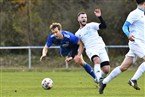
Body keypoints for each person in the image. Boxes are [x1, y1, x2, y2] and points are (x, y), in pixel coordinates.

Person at [99, 0, 145, 94]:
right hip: (135, 42)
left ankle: (104, 82)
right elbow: (124, 27)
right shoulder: (134, 13)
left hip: (141, 44)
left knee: (123, 67)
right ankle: (134, 79)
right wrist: (128, 35)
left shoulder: (142, 15)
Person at [75, 8, 110, 83]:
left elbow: (104, 26)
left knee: (106, 69)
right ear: (78, 19)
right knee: (97, 60)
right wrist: (77, 55)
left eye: (85, 17)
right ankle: (98, 79)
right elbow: (80, 45)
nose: (84, 19)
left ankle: (100, 79)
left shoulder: (91, 25)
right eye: (82, 17)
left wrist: (99, 17)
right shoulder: (77, 34)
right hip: (91, 49)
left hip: (101, 47)